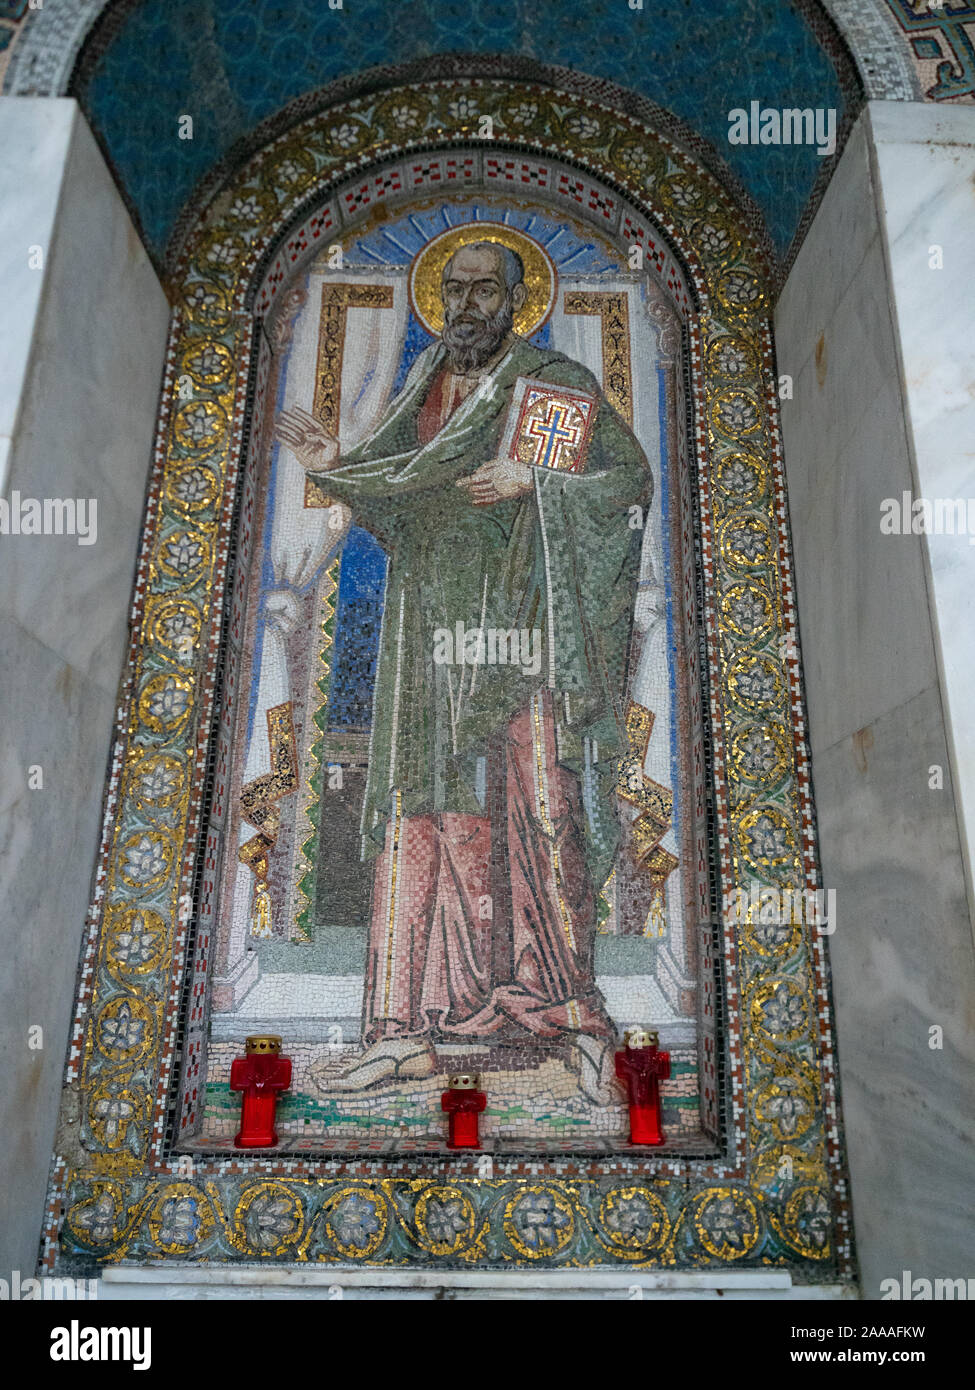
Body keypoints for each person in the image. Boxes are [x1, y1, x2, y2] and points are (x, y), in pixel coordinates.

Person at [274, 239, 652, 1100]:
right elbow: (400, 505)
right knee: (422, 813)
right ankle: (406, 1028)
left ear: (518, 301)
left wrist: (538, 482)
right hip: (425, 627)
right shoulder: (420, 387)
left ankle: (567, 1016)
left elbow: (623, 485)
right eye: (454, 287)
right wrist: (339, 467)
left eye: (486, 288)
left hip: (522, 628)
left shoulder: (549, 381)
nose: (466, 302)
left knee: (535, 806)